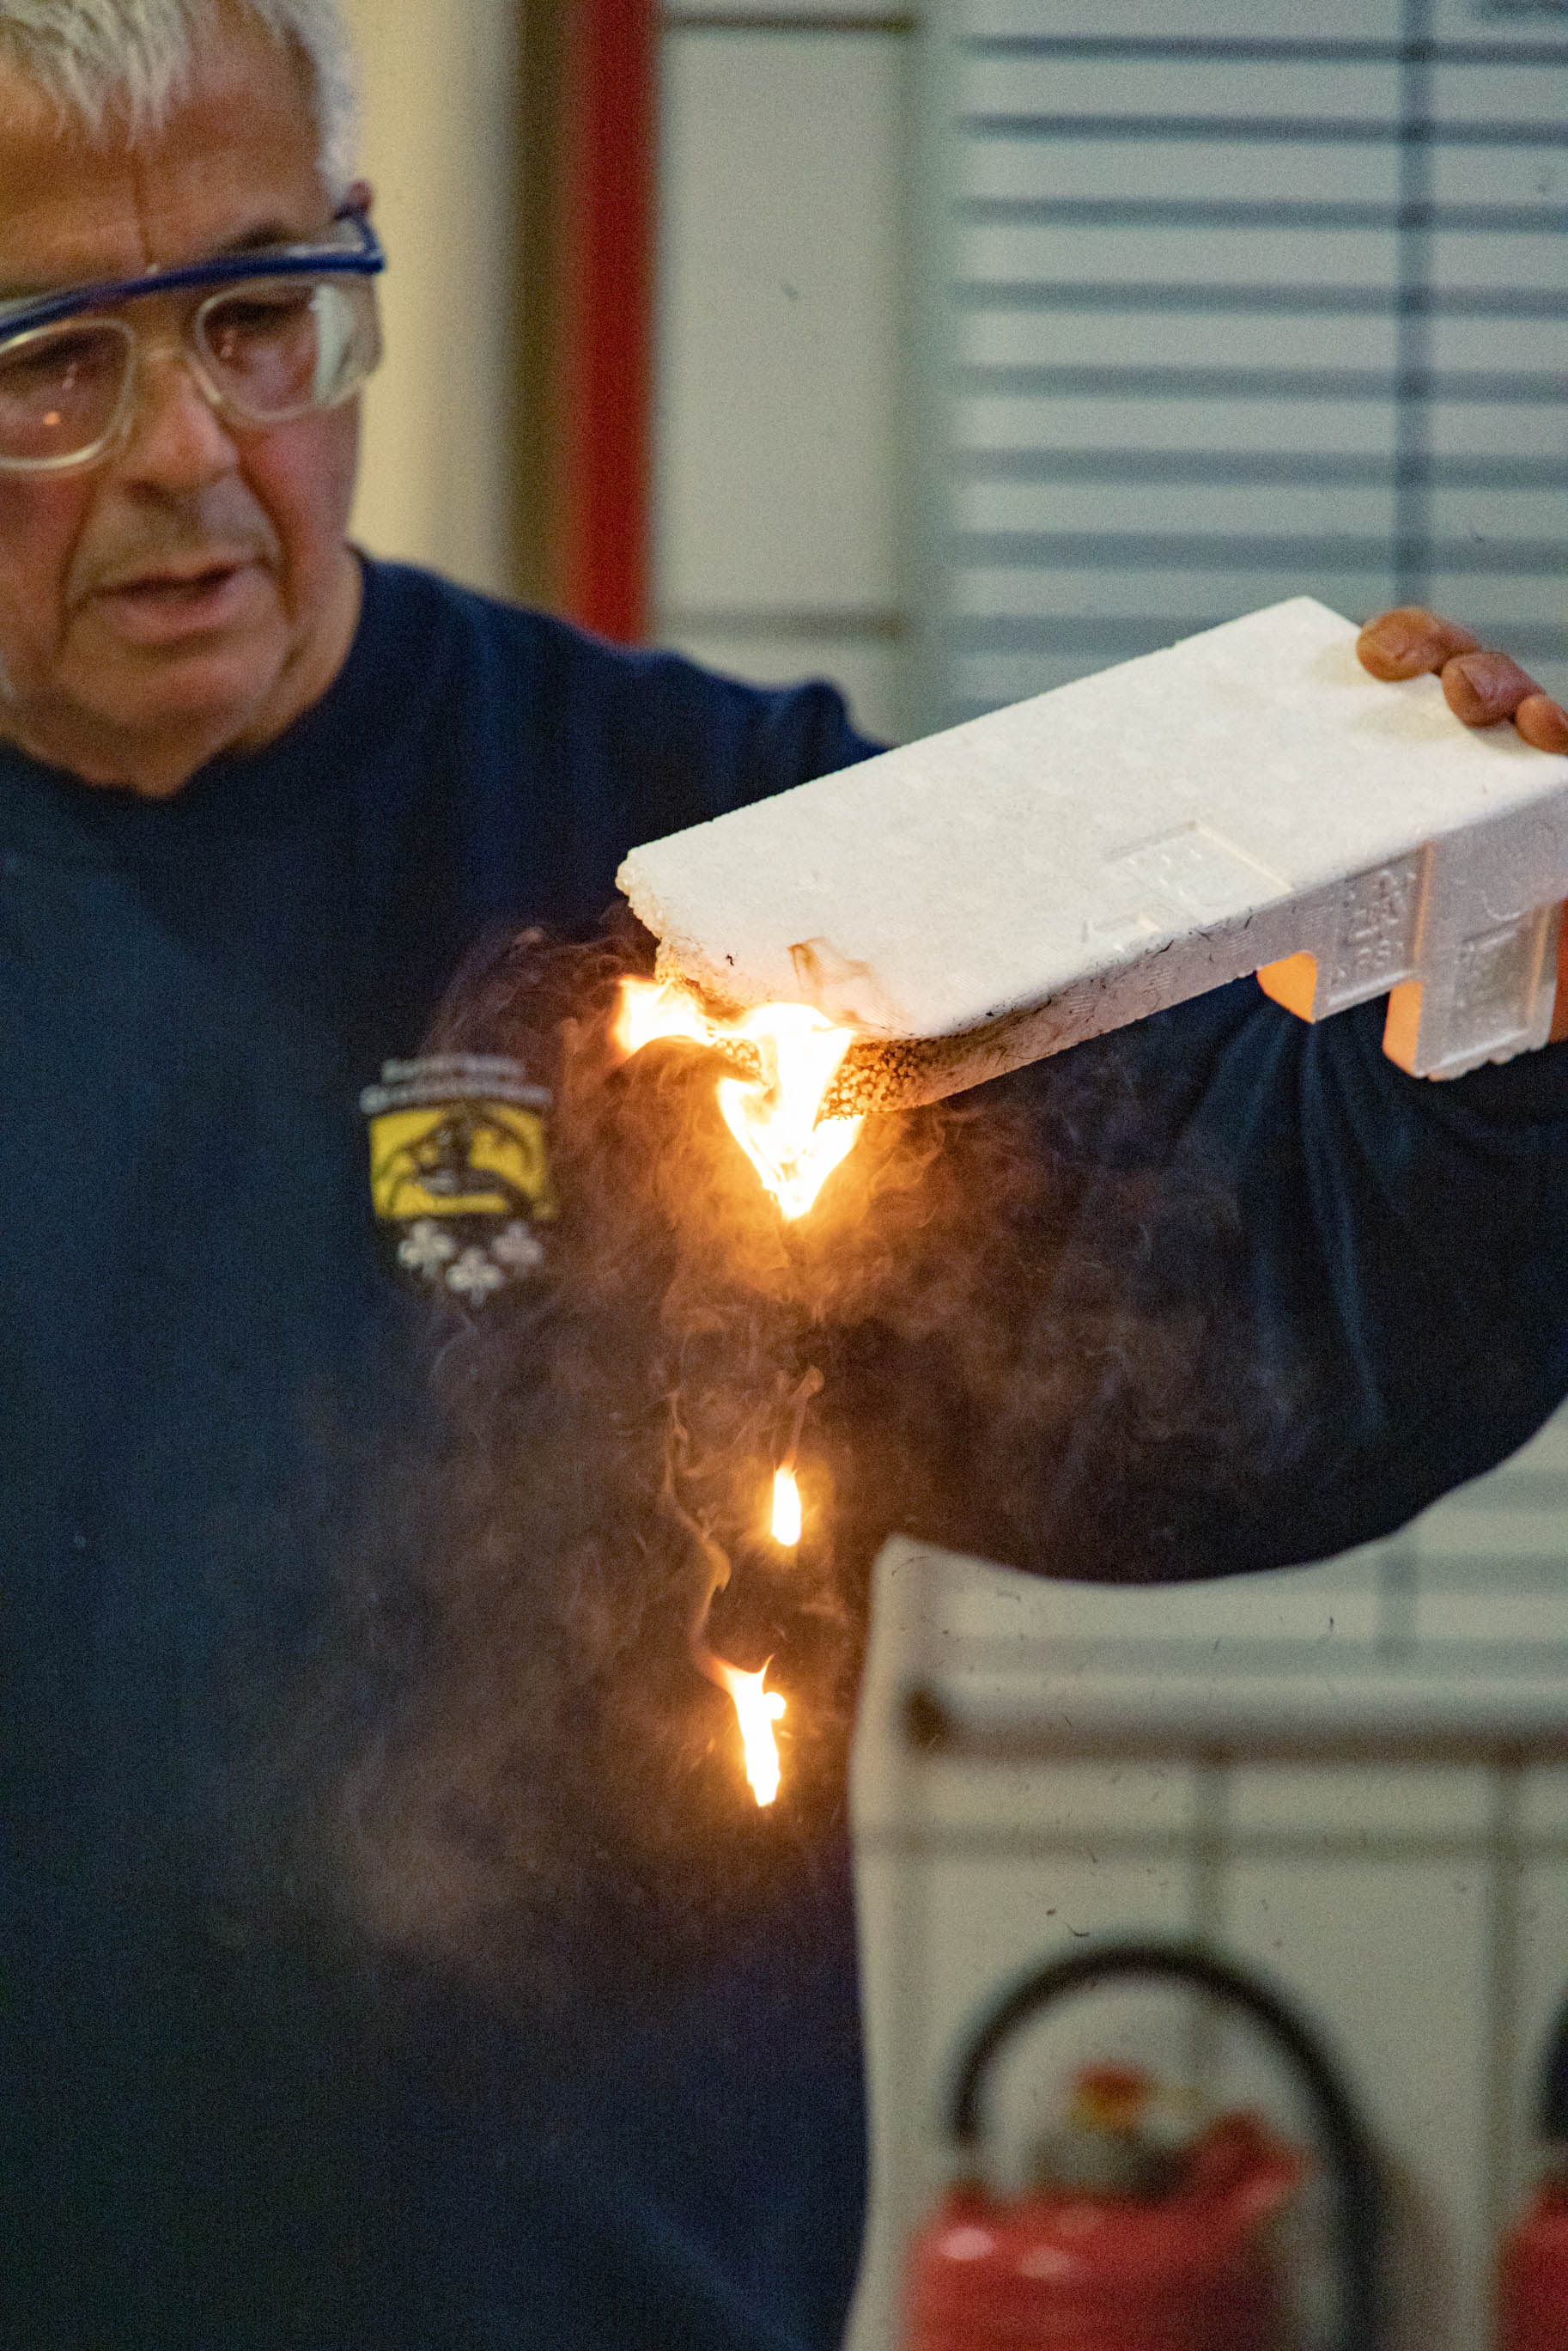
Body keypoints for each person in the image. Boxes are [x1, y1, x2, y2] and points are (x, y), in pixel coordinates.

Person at [3, 3, 1568, 2346]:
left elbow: (1241, 1325)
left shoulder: (725, 882)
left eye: (260, 317)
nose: (194, 458)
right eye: (50, 366)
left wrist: (1496, 1008)